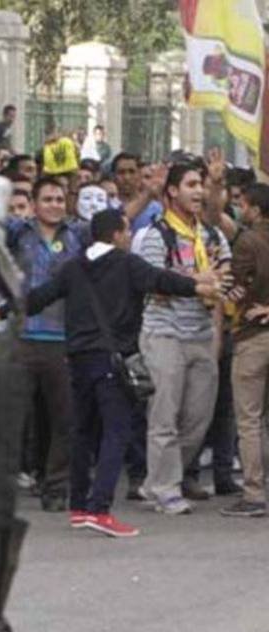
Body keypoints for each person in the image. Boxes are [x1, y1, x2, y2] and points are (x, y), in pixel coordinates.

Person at [27, 210, 220, 536]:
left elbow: (37, 298)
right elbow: (161, 280)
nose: (130, 236)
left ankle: (79, 507)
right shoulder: (126, 263)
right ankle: (101, 510)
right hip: (113, 360)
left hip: (78, 359)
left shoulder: (72, 266)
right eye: (127, 230)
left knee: (83, 433)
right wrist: (199, 287)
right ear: (116, 234)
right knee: (116, 432)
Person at [135, 163, 230, 515]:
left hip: (202, 333)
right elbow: (154, 283)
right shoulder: (155, 235)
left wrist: (206, 286)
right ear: (172, 191)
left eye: (201, 185)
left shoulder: (211, 236)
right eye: (191, 184)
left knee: (197, 418)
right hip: (164, 334)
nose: (198, 191)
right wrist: (197, 279)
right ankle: (164, 488)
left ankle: (157, 480)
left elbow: (225, 278)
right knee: (164, 415)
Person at [5, 177, 86, 511]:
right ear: (34, 204)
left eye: (59, 198)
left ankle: (55, 486)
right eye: (47, 199)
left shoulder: (78, 236)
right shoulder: (16, 234)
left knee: (63, 418)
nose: (55, 204)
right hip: (20, 336)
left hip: (61, 339)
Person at [222, 183, 269, 517]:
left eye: (242, 204)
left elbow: (234, 290)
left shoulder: (247, 242)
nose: (240, 209)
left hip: (252, 336)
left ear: (254, 209)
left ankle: (253, 493)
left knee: (249, 420)